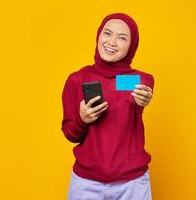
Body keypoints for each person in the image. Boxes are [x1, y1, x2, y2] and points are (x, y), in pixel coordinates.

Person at [61, 12, 155, 200]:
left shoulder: (132, 81)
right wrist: (82, 120)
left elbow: (136, 86)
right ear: (98, 36)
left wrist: (141, 99)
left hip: (132, 184)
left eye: (122, 38)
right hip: (86, 183)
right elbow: (70, 134)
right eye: (107, 33)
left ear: (132, 46)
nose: (112, 42)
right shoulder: (78, 79)